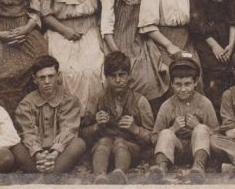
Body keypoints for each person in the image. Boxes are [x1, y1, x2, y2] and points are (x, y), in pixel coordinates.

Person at [41, 0, 105, 117]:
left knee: (93, 70)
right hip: (61, 32)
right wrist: (65, 31)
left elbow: (103, 8)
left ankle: (91, 118)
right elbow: (45, 14)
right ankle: (66, 118)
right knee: (67, 72)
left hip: (89, 30)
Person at [138, 0, 201, 112]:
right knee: (168, 80)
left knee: (194, 78)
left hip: (187, 39)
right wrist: (169, 45)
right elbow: (148, 25)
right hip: (162, 42)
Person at [100, 0, 168, 102]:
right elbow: (106, 28)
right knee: (122, 76)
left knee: (148, 77)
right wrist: (117, 54)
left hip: (142, 39)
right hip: (117, 41)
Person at [82, 52, 155, 185]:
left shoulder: (140, 101)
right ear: (106, 77)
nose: (117, 80)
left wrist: (135, 129)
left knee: (120, 143)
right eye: (112, 76)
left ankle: (120, 173)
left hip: (130, 148)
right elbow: (82, 134)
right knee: (104, 141)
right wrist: (96, 126)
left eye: (121, 75)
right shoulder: (96, 99)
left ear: (129, 76)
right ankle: (100, 176)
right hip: (103, 151)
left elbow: (153, 138)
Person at [12, 55, 86, 175]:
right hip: (33, 153)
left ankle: (48, 175)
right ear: (34, 79)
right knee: (15, 146)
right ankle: (44, 173)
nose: (47, 81)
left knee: (78, 143)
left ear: (58, 76)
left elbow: (68, 130)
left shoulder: (69, 100)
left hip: (60, 153)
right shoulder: (26, 103)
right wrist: (38, 154)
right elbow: (27, 132)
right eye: (42, 77)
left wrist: (54, 153)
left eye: (51, 76)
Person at [149, 57, 219, 183]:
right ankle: (161, 168)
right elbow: (154, 138)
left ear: (195, 82)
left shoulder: (204, 103)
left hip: (198, 150)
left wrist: (198, 126)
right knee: (165, 133)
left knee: (201, 128)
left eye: (187, 84)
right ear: (171, 84)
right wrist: (172, 129)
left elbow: (218, 134)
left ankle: (198, 166)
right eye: (178, 85)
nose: (183, 89)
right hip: (175, 152)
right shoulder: (167, 105)